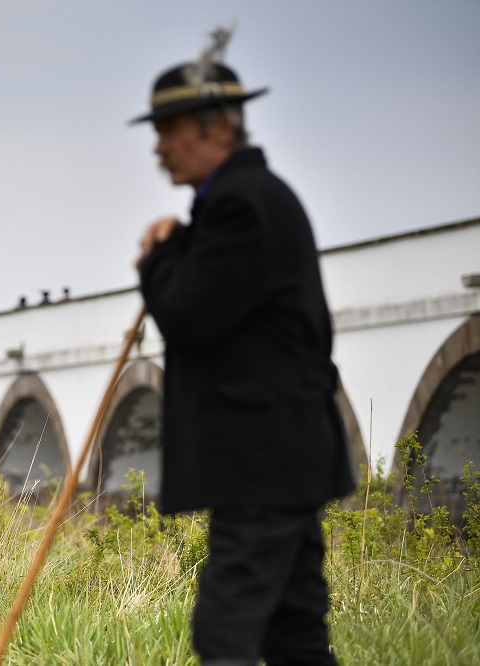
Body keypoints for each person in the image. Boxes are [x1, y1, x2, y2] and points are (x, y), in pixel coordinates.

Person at [131, 40, 356, 665]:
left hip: (263, 460)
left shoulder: (239, 204)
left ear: (219, 127)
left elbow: (188, 314)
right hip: (285, 455)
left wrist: (158, 257)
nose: (157, 147)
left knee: (226, 630)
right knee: (294, 634)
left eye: (170, 131)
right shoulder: (252, 199)